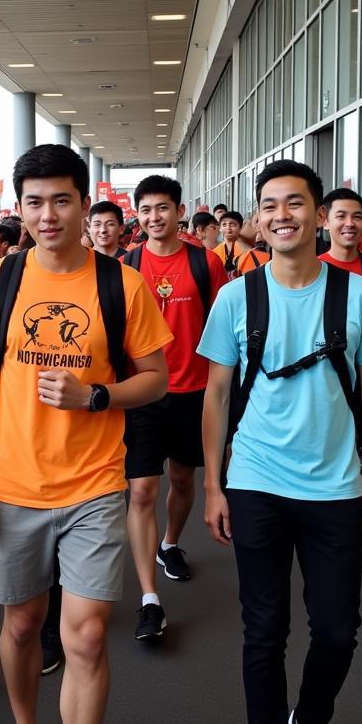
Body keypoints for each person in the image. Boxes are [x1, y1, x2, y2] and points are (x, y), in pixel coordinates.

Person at [0, 143, 171, 724]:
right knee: (21, 627)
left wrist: (97, 395)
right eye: (35, 201)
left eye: (62, 200)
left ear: (85, 203)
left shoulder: (121, 285)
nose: (48, 214)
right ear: (20, 207)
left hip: (94, 486)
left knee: (82, 637)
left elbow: (156, 378)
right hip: (13, 485)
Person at [199, 159, 362, 724]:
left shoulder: (358, 296)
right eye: (269, 205)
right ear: (258, 218)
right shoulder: (237, 297)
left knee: (339, 630)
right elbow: (217, 394)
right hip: (256, 480)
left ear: (320, 215)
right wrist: (213, 483)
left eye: (295, 203)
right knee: (264, 631)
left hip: (335, 486)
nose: (281, 214)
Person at [123, 174, 226, 640]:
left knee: (183, 479)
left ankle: (169, 544)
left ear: (180, 211)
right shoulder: (126, 266)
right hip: (144, 393)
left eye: (162, 208)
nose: (154, 217)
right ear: (137, 214)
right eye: (145, 210)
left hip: (194, 392)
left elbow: (223, 327)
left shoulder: (206, 263)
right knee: (142, 491)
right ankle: (149, 599)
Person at [213, 210, 250, 280]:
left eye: (232, 224)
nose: (228, 228)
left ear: (241, 227)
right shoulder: (215, 252)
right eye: (224, 224)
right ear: (220, 228)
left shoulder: (248, 250)